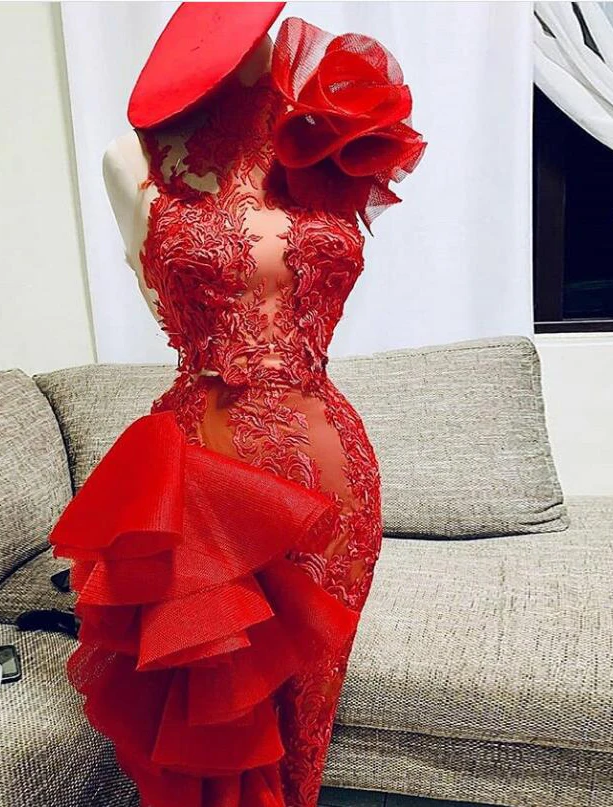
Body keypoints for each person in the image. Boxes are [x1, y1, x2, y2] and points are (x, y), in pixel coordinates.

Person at [49, 4, 426, 806]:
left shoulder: (324, 140)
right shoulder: (131, 159)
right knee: (216, 718)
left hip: (333, 476)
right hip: (204, 472)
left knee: (306, 709)